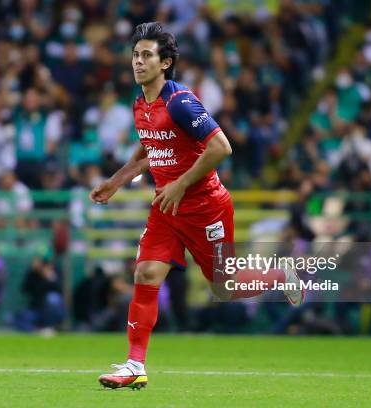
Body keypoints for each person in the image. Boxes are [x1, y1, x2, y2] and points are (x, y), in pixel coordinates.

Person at [90, 22, 304, 390]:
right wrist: (117, 180)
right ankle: (134, 365)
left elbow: (221, 147)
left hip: (206, 208)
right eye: (135, 55)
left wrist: (180, 183)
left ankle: (282, 274)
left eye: (146, 56)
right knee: (145, 275)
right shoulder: (141, 104)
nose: (138, 62)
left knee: (224, 288)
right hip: (167, 209)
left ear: (165, 62)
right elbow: (149, 149)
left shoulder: (181, 102)